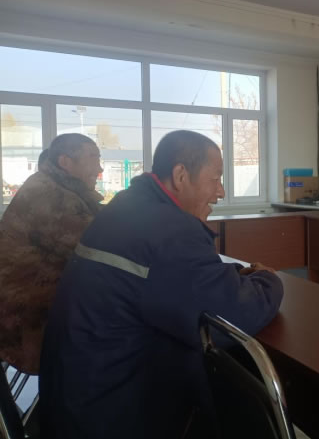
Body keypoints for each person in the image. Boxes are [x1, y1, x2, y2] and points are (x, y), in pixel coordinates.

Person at [39, 130, 284, 439]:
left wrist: (233, 275)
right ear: (181, 176)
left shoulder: (128, 206)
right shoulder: (170, 231)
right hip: (111, 416)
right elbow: (236, 313)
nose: (220, 192)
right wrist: (269, 279)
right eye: (216, 179)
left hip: (75, 399)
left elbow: (174, 278)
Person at [0, 134, 103, 374]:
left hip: (37, 306)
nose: (99, 168)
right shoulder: (49, 196)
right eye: (93, 158)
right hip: (26, 319)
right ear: (65, 162)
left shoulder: (58, 188)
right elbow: (98, 248)